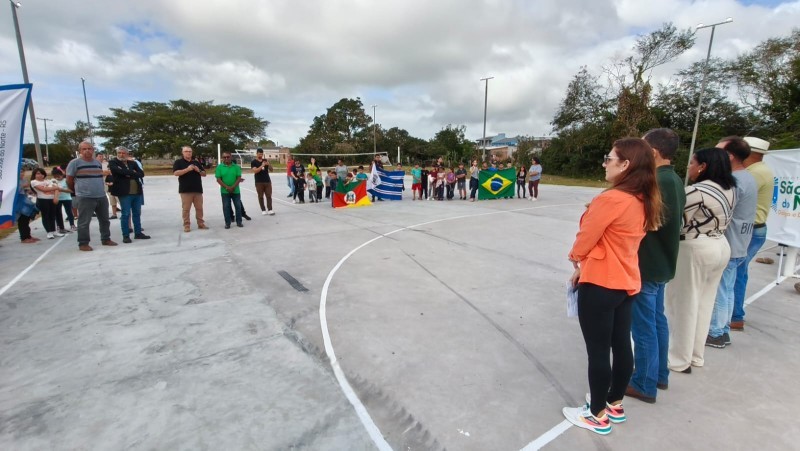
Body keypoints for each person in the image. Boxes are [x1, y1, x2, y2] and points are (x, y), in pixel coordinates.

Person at [563, 138, 662, 435]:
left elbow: (586, 237)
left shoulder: (611, 199)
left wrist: (576, 260)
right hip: (626, 281)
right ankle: (614, 402)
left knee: (597, 350)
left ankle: (596, 414)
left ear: (625, 164)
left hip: (602, 281)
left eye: (609, 158)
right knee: (620, 344)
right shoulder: (643, 198)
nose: (605, 163)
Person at [626, 128, 686, 404]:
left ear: (653, 153)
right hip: (662, 262)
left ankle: (643, 382)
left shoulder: (655, 182)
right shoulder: (673, 179)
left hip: (646, 264)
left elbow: (643, 221)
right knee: (657, 320)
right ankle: (659, 374)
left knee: (643, 326)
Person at [666, 148, 736, 374]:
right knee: (705, 303)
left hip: (696, 248)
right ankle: (696, 355)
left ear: (703, 166)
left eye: (692, 162)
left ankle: (678, 359)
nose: (689, 167)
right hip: (720, 245)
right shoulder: (730, 189)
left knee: (684, 304)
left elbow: (672, 217)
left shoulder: (696, 191)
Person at [707, 137, 757, 348]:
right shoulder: (747, 177)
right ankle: (723, 329)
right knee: (727, 288)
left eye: (718, 151)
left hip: (730, 241)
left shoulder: (734, 181)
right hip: (740, 241)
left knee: (720, 288)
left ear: (730, 156)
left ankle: (717, 331)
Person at [734, 137, 773, 331]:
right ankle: (734, 314)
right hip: (754, 228)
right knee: (740, 271)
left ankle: (735, 316)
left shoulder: (754, 174)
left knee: (736, 272)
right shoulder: (758, 171)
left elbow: (734, 195)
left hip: (749, 229)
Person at [66, 141, 117, 251]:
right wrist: (75, 191)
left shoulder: (97, 163)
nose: (87, 151)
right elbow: (69, 180)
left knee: (104, 220)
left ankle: (106, 238)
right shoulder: (75, 163)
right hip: (85, 197)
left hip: (101, 195)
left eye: (89, 148)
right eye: (84, 149)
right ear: (80, 151)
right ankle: (83, 243)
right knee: (84, 222)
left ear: (93, 150)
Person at [109, 146, 150, 243]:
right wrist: (132, 172)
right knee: (125, 214)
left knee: (137, 213)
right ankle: (126, 235)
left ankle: (138, 233)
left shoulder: (133, 163)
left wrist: (128, 173)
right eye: (119, 153)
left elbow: (141, 174)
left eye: (123, 153)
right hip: (124, 193)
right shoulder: (113, 162)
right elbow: (118, 171)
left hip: (137, 192)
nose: (121, 155)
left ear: (127, 154)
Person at [173, 146, 208, 232]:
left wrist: (198, 170)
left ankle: (200, 223)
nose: (188, 153)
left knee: (199, 208)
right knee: (186, 209)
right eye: (186, 151)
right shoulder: (178, 162)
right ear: (182, 153)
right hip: (185, 190)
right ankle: (187, 225)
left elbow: (204, 174)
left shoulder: (196, 162)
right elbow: (176, 173)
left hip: (197, 190)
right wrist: (187, 169)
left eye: (190, 151)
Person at [30, 168, 64, 239]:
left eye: (42, 174)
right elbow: (44, 189)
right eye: (38, 173)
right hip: (43, 200)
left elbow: (57, 189)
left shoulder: (49, 181)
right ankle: (49, 232)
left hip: (52, 200)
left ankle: (54, 231)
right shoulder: (34, 182)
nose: (40, 175)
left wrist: (55, 197)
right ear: (34, 175)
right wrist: (55, 187)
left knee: (53, 216)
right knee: (46, 216)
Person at [216, 151, 243, 228]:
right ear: (222, 158)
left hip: (236, 191)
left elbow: (239, 178)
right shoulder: (219, 167)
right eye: (224, 157)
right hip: (225, 191)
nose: (226, 158)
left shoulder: (236, 167)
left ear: (231, 157)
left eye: (228, 157)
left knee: (238, 206)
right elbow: (218, 179)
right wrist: (227, 187)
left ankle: (239, 222)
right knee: (226, 207)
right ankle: (227, 223)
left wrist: (233, 187)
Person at [16, 170, 40, 243]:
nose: (22, 173)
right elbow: (15, 191)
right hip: (18, 202)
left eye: (23, 172)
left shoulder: (24, 179)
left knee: (27, 218)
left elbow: (25, 190)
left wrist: (30, 191)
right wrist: (22, 186)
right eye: (20, 172)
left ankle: (28, 236)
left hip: (25, 199)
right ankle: (24, 237)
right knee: (22, 219)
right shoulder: (14, 181)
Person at [251, 148, 275, 215]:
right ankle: (263, 209)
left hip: (267, 181)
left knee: (269, 195)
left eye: (262, 154)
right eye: (259, 154)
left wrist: (268, 164)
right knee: (260, 196)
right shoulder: (254, 162)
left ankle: (270, 209)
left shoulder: (265, 160)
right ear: (257, 154)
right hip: (259, 182)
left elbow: (272, 170)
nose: (261, 155)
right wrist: (262, 165)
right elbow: (255, 171)